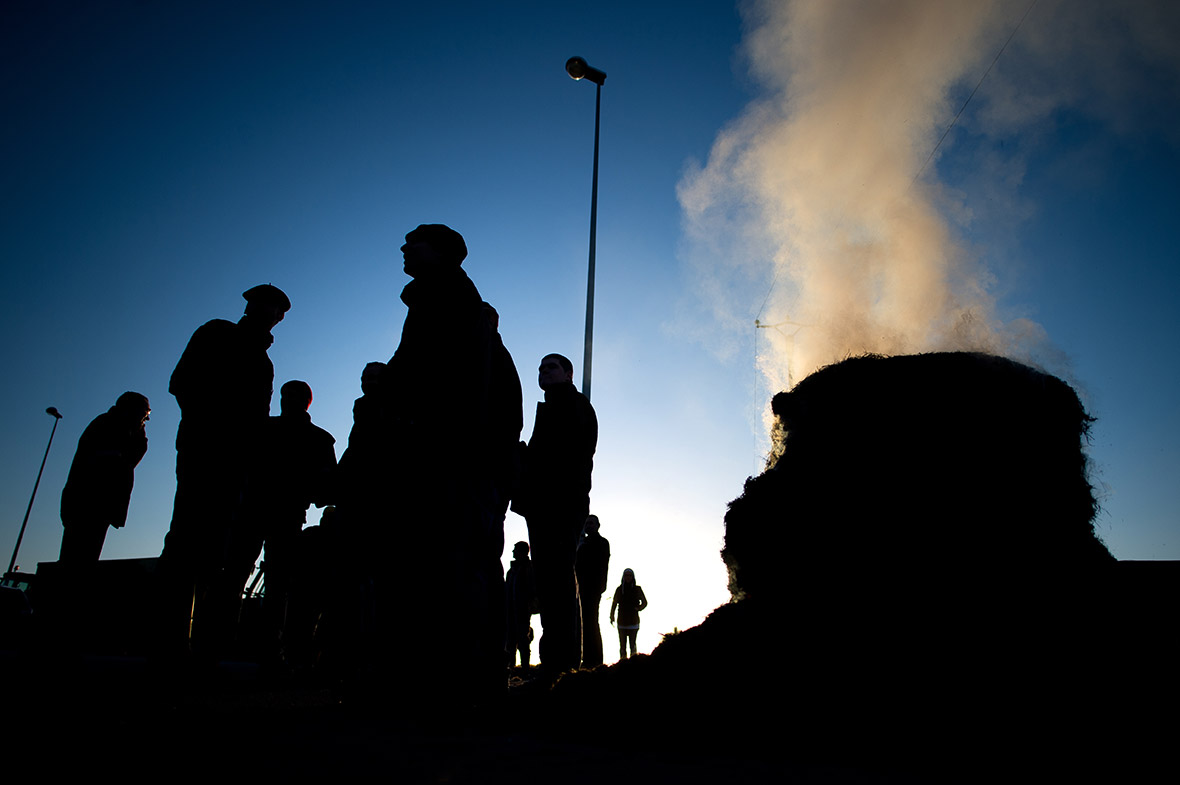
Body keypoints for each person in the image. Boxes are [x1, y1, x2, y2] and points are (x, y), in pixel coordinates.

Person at [372, 224, 520, 700]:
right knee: (441, 563)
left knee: (459, 563)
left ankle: (463, 678)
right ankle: (447, 674)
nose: (403, 246)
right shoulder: (432, 300)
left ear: (441, 252)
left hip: (452, 458)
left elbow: (441, 384)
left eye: (414, 241)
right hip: (445, 455)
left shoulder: (452, 302)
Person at [158, 283, 290, 657]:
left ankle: (203, 648)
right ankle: (170, 642)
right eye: (265, 307)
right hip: (206, 451)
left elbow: (259, 419)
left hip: (237, 463)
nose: (271, 316)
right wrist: (214, 428)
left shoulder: (264, 363)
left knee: (216, 551)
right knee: (186, 541)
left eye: (276, 312)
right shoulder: (216, 333)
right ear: (251, 307)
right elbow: (182, 383)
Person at [238, 380, 337, 662]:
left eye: (292, 395)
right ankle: (265, 649)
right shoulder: (311, 437)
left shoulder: (312, 437)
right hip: (266, 512)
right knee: (264, 580)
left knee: (273, 582)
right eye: (285, 395)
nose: (286, 400)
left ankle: (267, 648)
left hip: (277, 513)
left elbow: (327, 486)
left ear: (306, 400)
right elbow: (327, 487)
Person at [511, 353, 598, 675]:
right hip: (548, 505)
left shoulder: (572, 407)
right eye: (540, 368)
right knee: (551, 584)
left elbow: (563, 458)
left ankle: (561, 666)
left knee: (557, 583)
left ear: (568, 374)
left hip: (558, 506)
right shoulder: (558, 407)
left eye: (551, 367)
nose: (543, 372)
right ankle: (558, 665)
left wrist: (525, 460)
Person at [58, 392, 150, 564]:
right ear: (131, 411)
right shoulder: (109, 426)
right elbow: (125, 460)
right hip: (88, 505)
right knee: (76, 561)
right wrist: (138, 436)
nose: (145, 420)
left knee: (84, 559)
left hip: (96, 506)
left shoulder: (117, 427)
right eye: (145, 414)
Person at [575, 514, 610, 667]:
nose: (588, 525)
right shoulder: (583, 542)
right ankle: (588, 658)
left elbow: (602, 566)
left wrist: (600, 587)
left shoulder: (601, 542)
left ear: (597, 525)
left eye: (591, 523)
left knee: (591, 623)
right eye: (586, 523)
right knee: (584, 624)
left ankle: (595, 659)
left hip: (593, 588)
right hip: (581, 588)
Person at [504, 541, 538, 668]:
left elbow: (533, 589)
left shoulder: (529, 569)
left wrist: (530, 605)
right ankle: (511, 668)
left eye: (515, 549)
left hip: (522, 611)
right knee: (511, 642)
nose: (513, 552)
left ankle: (525, 668)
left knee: (523, 640)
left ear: (522, 551)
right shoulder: (511, 571)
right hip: (510, 611)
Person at [610, 568, 648, 660]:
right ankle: (622, 664)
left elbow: (645, 602)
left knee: (633, 645)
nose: (627, 577)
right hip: (622, 622)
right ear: (623, 577)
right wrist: (612, 616)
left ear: (633, 577)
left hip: (633, 621)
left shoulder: (637, 589)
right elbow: (614, 603)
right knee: (622, 647)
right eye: (626, 575)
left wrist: (638, 608)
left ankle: (633, 664)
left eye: (629, 575)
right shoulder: (619, 589)